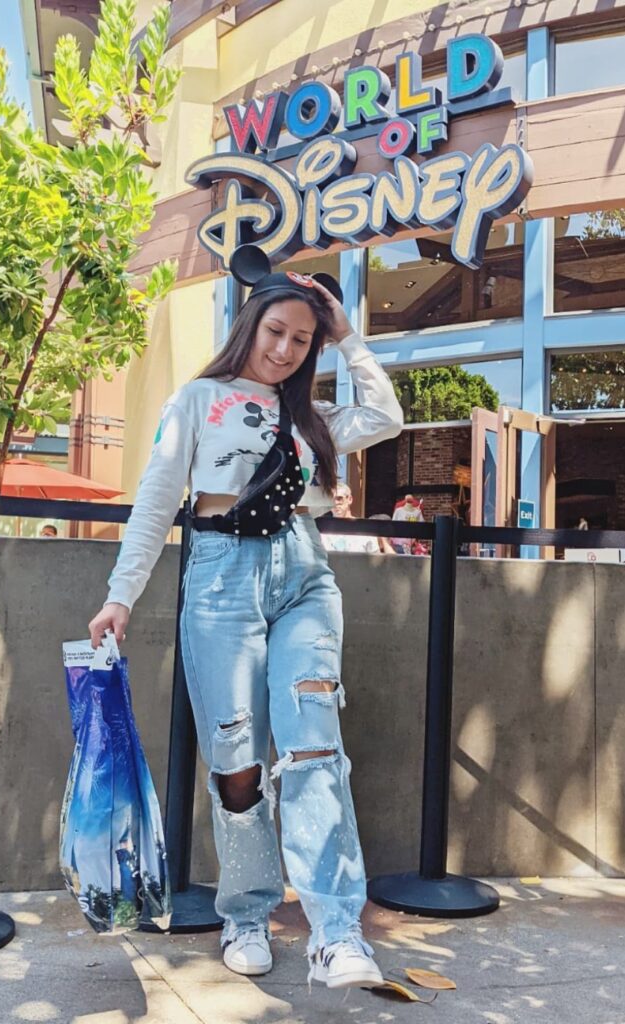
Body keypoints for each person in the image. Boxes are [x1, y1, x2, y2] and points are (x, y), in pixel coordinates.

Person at [88, 265, 403, 989]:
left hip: (304, 576)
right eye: (276, 332)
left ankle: (334, 932)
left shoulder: (312, 419)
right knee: (236, 766)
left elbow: (385, 416)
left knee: (314, 744)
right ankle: (248, 913)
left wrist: (348, 333)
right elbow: (158, 498)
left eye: (302, 339)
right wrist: (120, 595)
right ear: (249, 326)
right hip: (220, 576)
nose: (287, 349)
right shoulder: (200, 399)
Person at [321, 482, 380, 554]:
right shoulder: (322, 530)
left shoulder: (365, 528)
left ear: (350, 499)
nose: (335, 503)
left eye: (339, 499)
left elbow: (375, 560)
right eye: (331, 500)